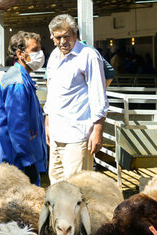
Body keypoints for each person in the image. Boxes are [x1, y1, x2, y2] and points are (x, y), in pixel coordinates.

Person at [43, 14, 108, 183]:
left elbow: (98, 94)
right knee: (56, 186)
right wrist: (48, 122)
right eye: (58, 37)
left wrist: (98, 130)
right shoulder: (53, 57)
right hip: (57, 133)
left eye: (67, 36)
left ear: (75, 34)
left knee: (76, 188)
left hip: (77, 134)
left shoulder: (89, 55)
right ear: (52, 37)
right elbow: (52, 92)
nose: (63, 42)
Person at [0, 31, 47, 185]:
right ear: (20, 54)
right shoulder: (18, 83)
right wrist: (28, 163)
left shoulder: (21, 78)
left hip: (17, 159)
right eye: (35, 50)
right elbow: (17, 127)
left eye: (40, 50)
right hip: (16, 163)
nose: (40, 54)